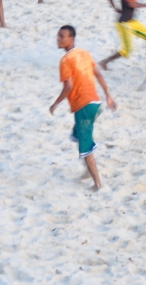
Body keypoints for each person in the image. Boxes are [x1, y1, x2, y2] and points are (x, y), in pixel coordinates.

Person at [49, 25, 117, 191]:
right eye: (58, 35)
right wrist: (108, 96)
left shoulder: (65, 60)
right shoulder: (85, 53)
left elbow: (68, 87)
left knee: (85, 145)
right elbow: (98, 74)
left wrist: (56, 103)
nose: (58, 39)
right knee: (77, 135)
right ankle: (88, 171)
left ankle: (97, 184)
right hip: (95, 104)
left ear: (71, 39)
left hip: (84, 106)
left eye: (62, 36)